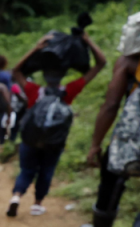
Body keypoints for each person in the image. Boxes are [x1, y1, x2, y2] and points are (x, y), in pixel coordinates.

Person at [8, 32, 107, 217]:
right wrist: (87, 41)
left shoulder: (34, 91)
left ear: (44, 75)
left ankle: (16, 196)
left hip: (30, 139)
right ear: (63, 75)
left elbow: (16, 71)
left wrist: (35, 49)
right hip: (54, 141)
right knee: (47, 169)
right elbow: (101, 64)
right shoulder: (69, 91)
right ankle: (37, 204)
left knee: (27, 169)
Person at [82, 12, 140, 227]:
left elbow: (111, 104)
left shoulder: (128, 62)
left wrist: (96, 143)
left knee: (112, 175)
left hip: (130, 140)